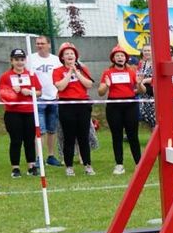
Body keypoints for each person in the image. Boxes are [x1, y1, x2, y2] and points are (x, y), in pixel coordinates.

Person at [0, 48, 43, 178]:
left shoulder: (31, 75)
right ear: (11, 61)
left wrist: (30, 92)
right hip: (13, 113)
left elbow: (39, 92)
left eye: (22, 59)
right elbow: (1, 94)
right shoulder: (6, 76)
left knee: (29, 140)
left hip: (29, 111)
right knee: (16, 140)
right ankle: (15, 168)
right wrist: (12, 92)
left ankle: (31, 166)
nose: (19, 62)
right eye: (16, 60)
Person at [97, 45, 143, 174]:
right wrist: (106, 86)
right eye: (117, 56)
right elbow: (100, 92)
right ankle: (119, 164)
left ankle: (138, 163)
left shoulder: (131, 72)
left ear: (125, 58)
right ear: (113, 58)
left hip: (130, 105)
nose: (120, 58)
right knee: (116, 136)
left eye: (122, 56)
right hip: (114, 106)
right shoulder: (107, 73)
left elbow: (141, 90)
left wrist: (139, 84)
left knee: (133, 135)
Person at [52, 41, 96, 176]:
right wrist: (69, 72)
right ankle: (69, 166)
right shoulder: (57, 71)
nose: (70, 56)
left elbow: (89, 84)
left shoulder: (82, 69)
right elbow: (60, 87)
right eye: (67, 54)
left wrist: (77, 73)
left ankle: (88, 165)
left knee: (84, 136)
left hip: (82, 105)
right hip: (67, 106)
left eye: (72, 53)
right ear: (62, 57)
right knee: (69, 137)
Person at [26, 35, 61, 167]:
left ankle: (51, 156)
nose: (40, 45)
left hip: (53, 98)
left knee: (52, 130)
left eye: (42, 43)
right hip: (39, 99)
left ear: (49, 45)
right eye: (38, 43)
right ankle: (39, 157)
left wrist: (58, 92)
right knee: (40, 130)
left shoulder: (56, 60)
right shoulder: (30, 59)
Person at [136, 44, 156, 126]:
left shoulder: (155, 63)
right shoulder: (142, 64)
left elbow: (157, 78)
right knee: (147, 118)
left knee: (154, 119)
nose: (147, 52)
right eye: (145, 50)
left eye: (149, 50)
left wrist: (145, 80)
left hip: (154, 94)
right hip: (144, 95)